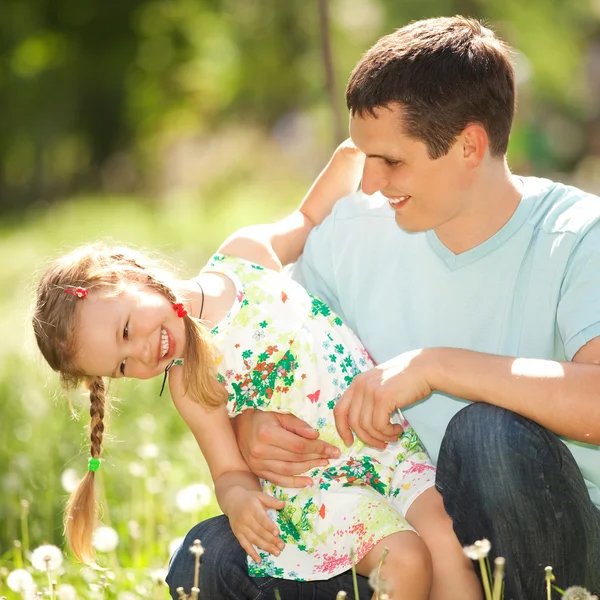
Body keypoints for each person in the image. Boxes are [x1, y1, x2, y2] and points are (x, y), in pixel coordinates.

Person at [166, 14, 600, 600]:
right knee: (211, 561)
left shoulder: (576, 235)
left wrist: (436, 366)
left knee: (486, 436)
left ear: (470, 145)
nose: (369, 183)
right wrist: (253, 430)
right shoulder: (349, 230)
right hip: (402, 541)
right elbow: (284, 363)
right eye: (364, 157)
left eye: (392, 161)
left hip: (550, 553)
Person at [32, 141, 483, 600]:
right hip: (318, 489)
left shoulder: (242, 257)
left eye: (128, 329)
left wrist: (348, 157)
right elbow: (227, 470)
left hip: (383, 443)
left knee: (447, 543)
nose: (144, 353)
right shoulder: (191, 382)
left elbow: (306, 219)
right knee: (405, 560)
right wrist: (240, 499)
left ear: (132, 275)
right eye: (123, 366)